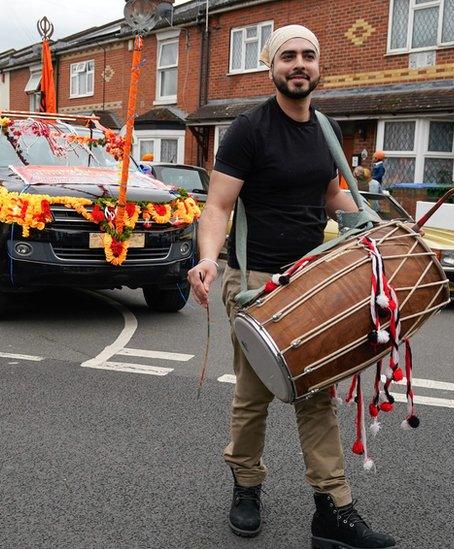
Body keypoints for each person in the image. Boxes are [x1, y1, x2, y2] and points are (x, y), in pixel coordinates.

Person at [186, 25, 396, 548]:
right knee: (254, 395)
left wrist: (373, 232)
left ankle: (332, 511)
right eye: (288, 57)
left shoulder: (326, 128)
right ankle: (247, 486)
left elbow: (332, 197)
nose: (298, 64)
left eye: (307, 56)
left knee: (316, 397)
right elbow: (217, 205)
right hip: (256, 281)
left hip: (313, 281)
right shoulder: (248, 130)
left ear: (319, 66)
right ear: (271, 68)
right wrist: (208, 259)